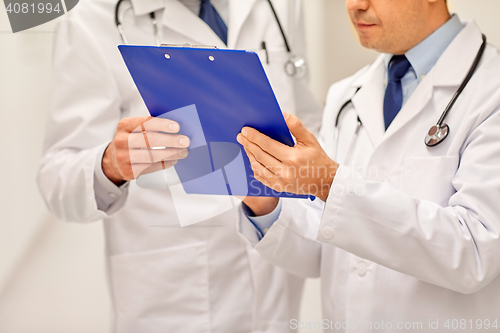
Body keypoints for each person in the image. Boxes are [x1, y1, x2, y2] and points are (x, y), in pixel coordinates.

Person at [36, 0, 322, 332]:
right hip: (173, 290)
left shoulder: (279, 6)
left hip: (276, 269)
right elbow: (56, 178)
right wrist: (111, 164)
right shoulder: (90, 20)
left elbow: (306, 118)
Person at [238, 0, 500, 331]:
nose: (355, 5)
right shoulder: (346, 95)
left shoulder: (491, 91)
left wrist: (328, 184)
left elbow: (475, 253)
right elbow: (326, 248)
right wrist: (264, 204)